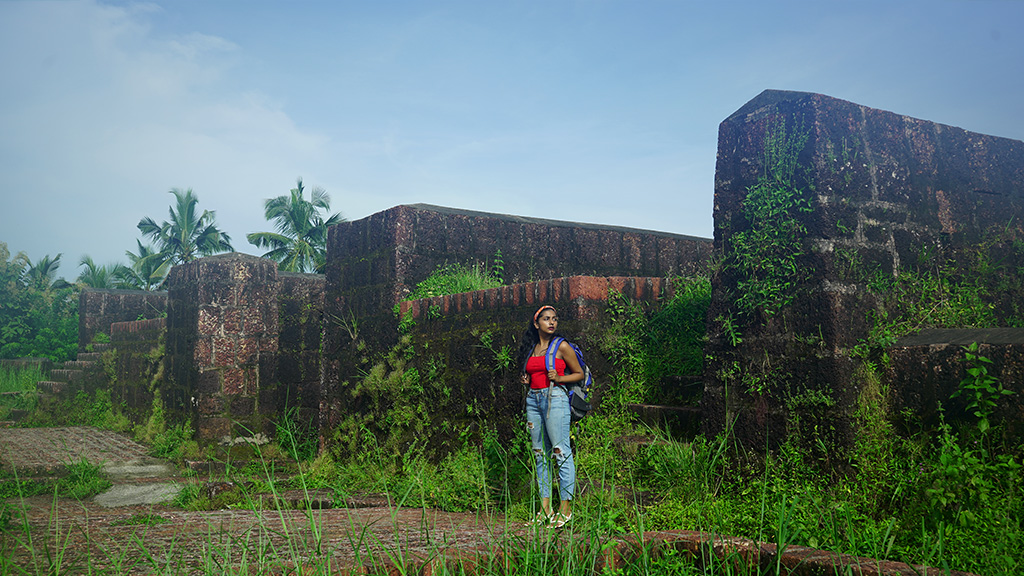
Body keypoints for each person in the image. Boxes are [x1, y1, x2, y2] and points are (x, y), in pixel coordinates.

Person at [518, 305, 585, 528]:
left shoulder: (561, 346)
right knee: (539, 453)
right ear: (537, 324)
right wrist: (527, 380)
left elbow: (579, 374)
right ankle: (545, 509)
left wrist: (559, 378)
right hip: (533, 400)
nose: (552, 323)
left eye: (554, 319)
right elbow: (532, 371)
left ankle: (565, 510)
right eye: (546, 319)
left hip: (554, 398)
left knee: (560, 451)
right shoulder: (532, 347)